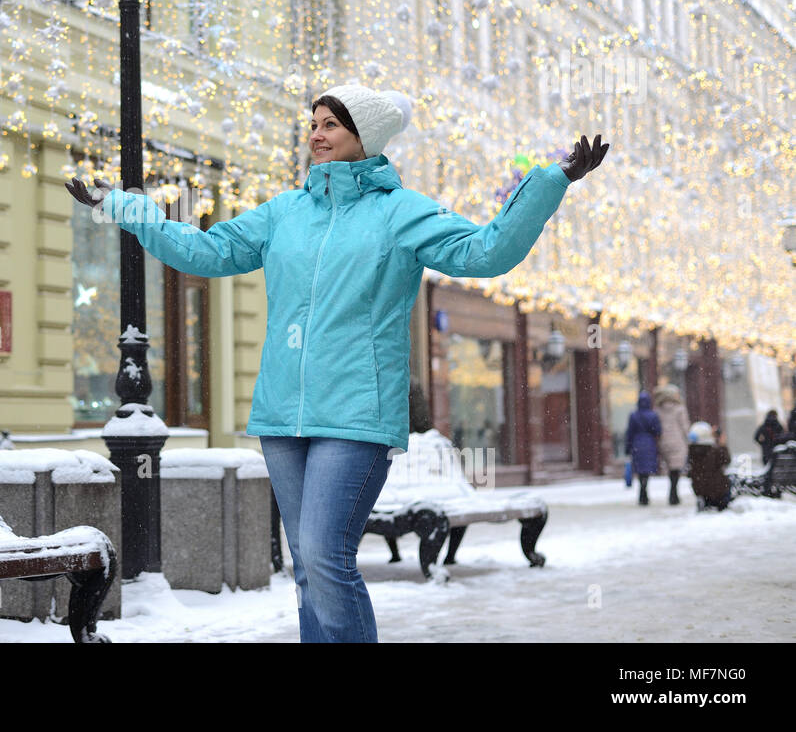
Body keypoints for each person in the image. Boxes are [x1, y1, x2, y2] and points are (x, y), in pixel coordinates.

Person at [67, 84, 610, 642]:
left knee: (327, 557)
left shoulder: (402, 213)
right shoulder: (285, 212)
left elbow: (486, 251)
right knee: (307, 567)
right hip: (283, 414)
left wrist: (550, 182)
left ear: (363, 137)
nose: (316, 135)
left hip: (357, 411)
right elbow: (205, 251)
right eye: (314, 124)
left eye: (330, 125)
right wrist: (126, 207)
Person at [653, 383, 689, 505]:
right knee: (676, 469)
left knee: (670, 468)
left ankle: (672, 494)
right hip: (678, 441)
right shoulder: (680, 408)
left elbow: (656, 427)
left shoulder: (658, 409)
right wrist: (688, 438)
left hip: (664, 442)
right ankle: (674, 494)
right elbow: (684, 426)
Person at [625, 391, 662, 506]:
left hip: (637, 444)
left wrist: (628, 447)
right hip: (649, 444)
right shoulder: (653, 415)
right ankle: (644, 491)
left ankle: (642, 492)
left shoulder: (633, 415)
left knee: (640, 469)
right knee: (647, 469)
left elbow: (629, 433)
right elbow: (658, 431)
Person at [688, 420, 732, 511]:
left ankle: (703, 501)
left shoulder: (692, 452)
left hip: (700, 491)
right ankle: (721, 503)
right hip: (717, 493)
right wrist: (722, 444)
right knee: (729, 481)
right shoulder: (715, 451)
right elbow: (727, 460)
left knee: (701, 478)